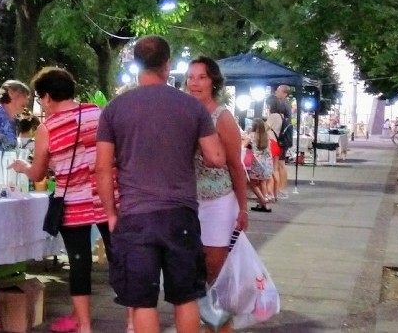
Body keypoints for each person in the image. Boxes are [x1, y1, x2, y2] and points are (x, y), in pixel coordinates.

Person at [95, 35, 226, 333]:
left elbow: (102, 168)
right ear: (168, 65)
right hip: (180, 214)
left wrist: (112, 214)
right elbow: (216, 157)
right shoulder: (192, 108)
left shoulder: (115, 109)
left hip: (135, 216)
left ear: (136, 65)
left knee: (142, 302)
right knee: (186, 297)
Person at [10, 67, 113, 333]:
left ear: (46, 97)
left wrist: (23, 166)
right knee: (121, 257)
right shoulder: (97, 113)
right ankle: (136, 319)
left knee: (80, 262)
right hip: (108, 197)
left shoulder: (47, 128)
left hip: (74, 203)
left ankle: (84, 324)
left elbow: (39, 172)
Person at [185, 56, 249, 314]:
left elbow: (236, 165)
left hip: (219, 202)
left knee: (215, 271)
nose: (195, 83)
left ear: (213, 82)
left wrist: (243, 208)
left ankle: (218, 323)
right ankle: (202, 320)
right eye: (191, 77)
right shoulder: (184, 112)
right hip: (188, 203)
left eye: (202, 77)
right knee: (191, 272)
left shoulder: (222, 118)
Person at [0, 80, 31, 150]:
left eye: (28, 98)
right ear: (11, 93)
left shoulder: (15, 121)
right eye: (24, 96)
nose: (27, 101)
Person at [244, 118, 273, 212]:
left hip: (257, 163)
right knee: (262, 182)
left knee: (252, 184)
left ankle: (263, 201)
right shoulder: (267, 136)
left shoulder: (252, 135)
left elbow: (243, 145)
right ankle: (263, 205)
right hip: (268, 164)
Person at [265, 94, 289, 201]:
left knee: (268, 170)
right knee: (275, 169)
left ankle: (269, 193)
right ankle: (276, 194)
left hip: (270, 143)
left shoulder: (273, 116)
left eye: (268, 105)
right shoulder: (281, 116)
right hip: (277, 144)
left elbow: (265, 128)